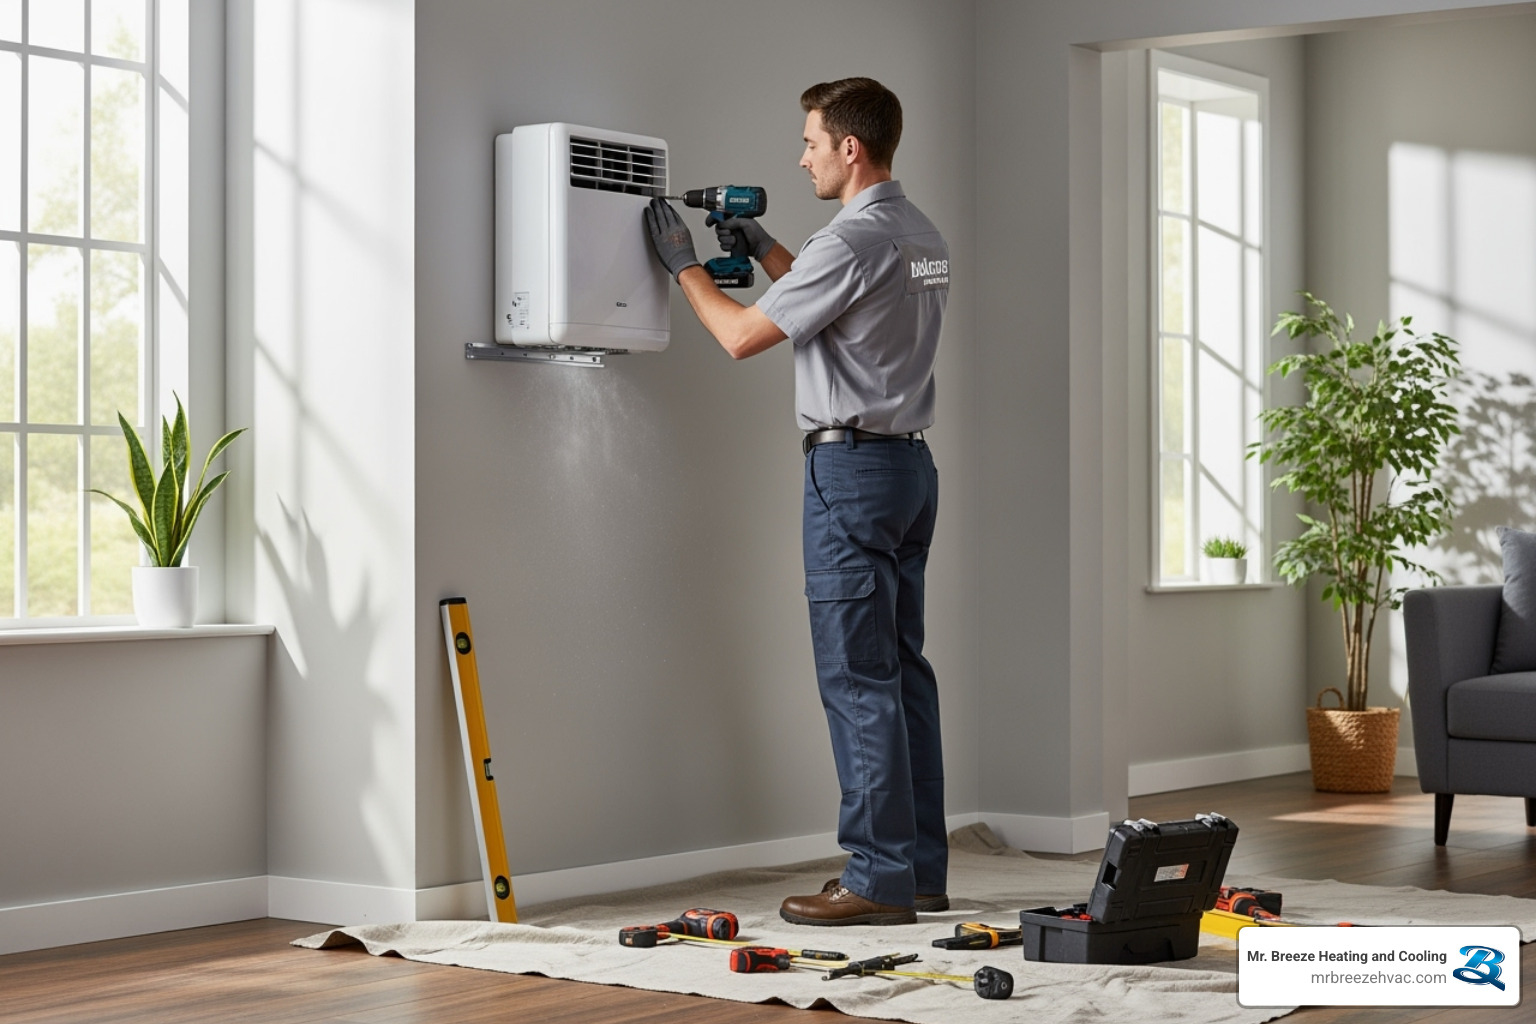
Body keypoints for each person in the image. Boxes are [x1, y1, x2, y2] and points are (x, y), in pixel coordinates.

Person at [644, 77, 950, 927]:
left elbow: (743, 335)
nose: (803, 155)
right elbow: (839, 305)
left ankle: (877, 879)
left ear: (851, 149)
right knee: (902, 678)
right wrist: (771, 247)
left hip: (848, 474)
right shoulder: (915, 233)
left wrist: (686, 267)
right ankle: (919, 871)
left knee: (858, 680)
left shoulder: (849, 240)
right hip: (908, 472)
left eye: (812, 142)